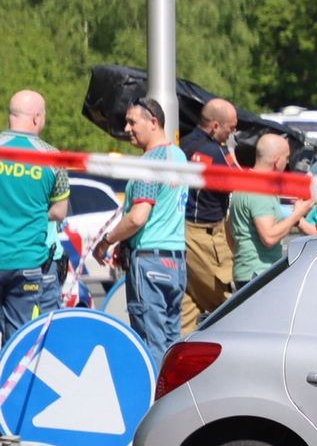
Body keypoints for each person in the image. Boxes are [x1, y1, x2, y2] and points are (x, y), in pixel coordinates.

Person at [93, 97, 187, 368]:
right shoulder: (178, 156)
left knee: (150, 344)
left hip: (150, 263)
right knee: (171, 343)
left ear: (154, 121)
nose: (127, 128)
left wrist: (107, 241)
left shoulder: (150, 162)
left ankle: (156, 407)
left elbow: (138, 217)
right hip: (176, 262)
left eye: (133, 122)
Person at [0, 90, 69, 341]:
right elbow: (59, 212)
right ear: (37, 117)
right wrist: (32, 212)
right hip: (27, 262)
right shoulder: (53, 158)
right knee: (17, 340)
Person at [180, 98, 238, 335]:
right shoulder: (215, 152)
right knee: (229, 305)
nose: (233, 132)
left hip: (181, 233)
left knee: (187, 310)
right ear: (215, 125)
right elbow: (237, 182)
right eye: (231, 127)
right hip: (206, 237)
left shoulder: (183, 145)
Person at [228, 135, 315, 289]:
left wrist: (242, 253)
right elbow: (269, 237)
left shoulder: (244, 183)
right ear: (277, 160)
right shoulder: (260, 190)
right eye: (286, 158)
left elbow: (228, 228)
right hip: (259, 274)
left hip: (246, 271)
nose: (288, 162)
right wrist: (298, 213)